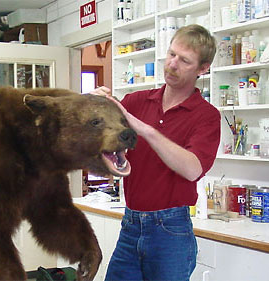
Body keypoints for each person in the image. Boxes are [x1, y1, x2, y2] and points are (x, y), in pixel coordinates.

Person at [91, 24, 221, 281]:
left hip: (170, 231)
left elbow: (193, 168)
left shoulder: (206, 116)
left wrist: (146, 130)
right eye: (171, 54)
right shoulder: (136, 102)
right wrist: (91, 106)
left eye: (184, 60)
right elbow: (98, 144)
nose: (172, 64)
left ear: (203, 68)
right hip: (131, 224)